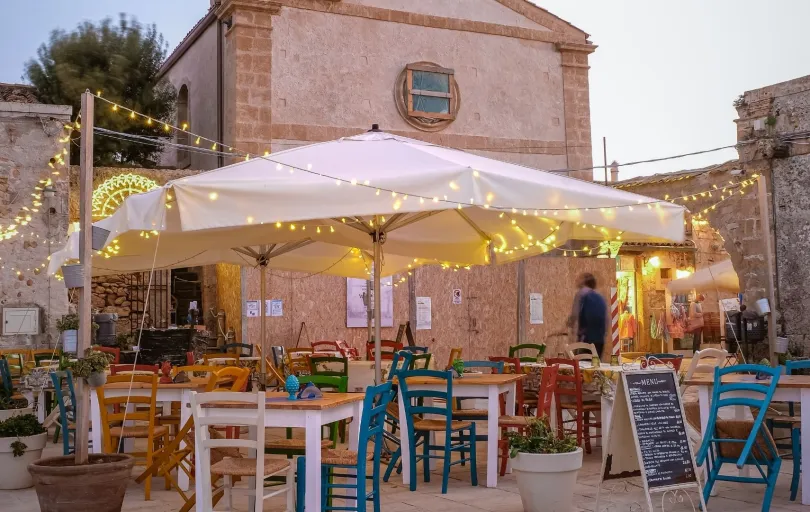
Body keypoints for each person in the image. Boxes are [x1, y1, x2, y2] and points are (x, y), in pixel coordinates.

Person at [567, 273, 608, 358]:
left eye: (580, 278)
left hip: (587, 338)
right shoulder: (600, 297)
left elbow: (574, 314)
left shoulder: (581, 293)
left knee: (582, 366)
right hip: (600, 339)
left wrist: (569, 324)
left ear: (584, 281)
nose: (577, 280)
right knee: (595, 365)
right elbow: (606, 320)